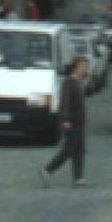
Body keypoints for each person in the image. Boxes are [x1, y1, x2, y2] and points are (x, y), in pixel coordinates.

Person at [37, 57, 90, 188]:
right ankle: (47, 169)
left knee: (79, 149)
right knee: (70, 148)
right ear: (76, 67)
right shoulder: (68, 83)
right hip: (72, 121)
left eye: (86, 66)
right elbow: (64, 102)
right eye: (83, 66)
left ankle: (78, 177)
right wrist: (65, 119)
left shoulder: (79, 82)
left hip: (79, 121)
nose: (85, 69)